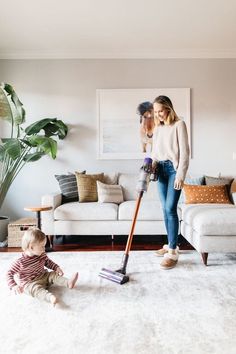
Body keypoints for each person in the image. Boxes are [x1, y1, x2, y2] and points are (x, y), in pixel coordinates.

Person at [151, 95, 190, 270]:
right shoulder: (158, 128)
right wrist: (151, 164)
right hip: (160, 170)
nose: (158, 114)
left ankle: (173, 251)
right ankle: (170, 243)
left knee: (170, 208)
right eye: (155, 111)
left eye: (160, 110)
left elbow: (185, 153)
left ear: (168, 108)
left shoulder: (179, 124)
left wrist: (180, 175)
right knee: (164, 209)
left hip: (174, 170)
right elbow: (155, 151)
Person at [6, 228, 79, 305]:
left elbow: (48, 262)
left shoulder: (41, 255)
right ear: (31, 247)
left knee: (52, 275)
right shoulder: (20, 262)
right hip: (30, 283)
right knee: (34, 289)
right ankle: (50, 297)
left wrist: (56, 268)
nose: (44, 249)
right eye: (42, 246)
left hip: (43, 276)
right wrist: (14, 286)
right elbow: (9, 273)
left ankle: (68, 282)